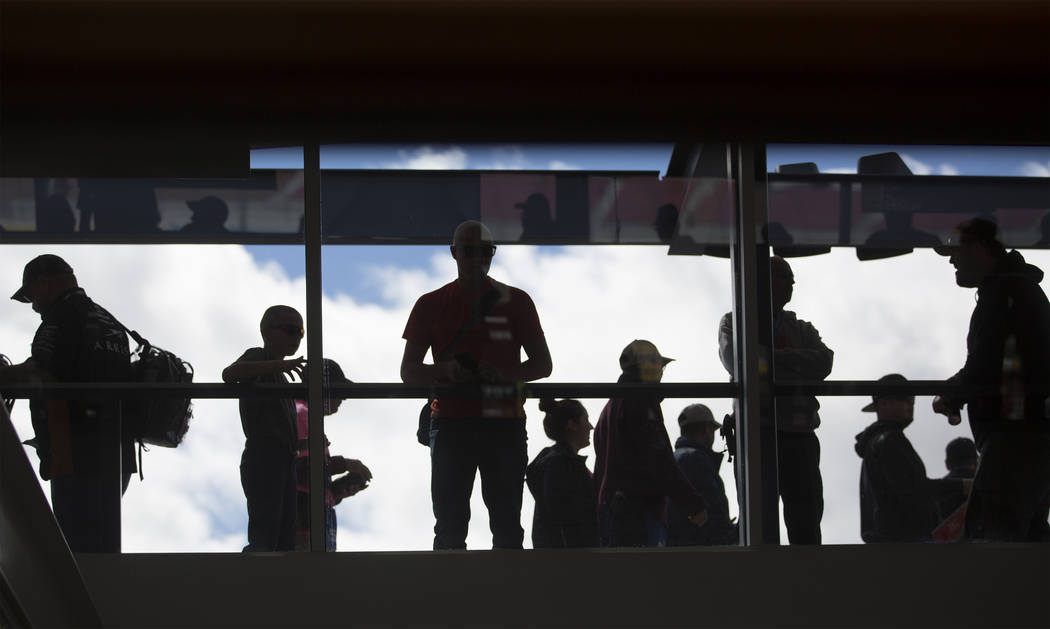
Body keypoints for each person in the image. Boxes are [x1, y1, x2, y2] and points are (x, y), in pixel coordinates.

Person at [400, 220, 553, 550]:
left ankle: (454, 594)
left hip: (460, 422)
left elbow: (410, 372)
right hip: (498, 421)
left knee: (459, 525)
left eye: (484, 251)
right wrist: (499, 374)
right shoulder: (515, 301)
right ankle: (505, 592)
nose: (477, 258)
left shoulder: (432, 303)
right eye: (471, 251)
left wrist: (447, 371)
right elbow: (541, 365)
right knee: (502, 522)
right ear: (455, 253)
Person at [0, 254, 135, 552]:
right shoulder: (109, 321)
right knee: (104, 546)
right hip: (116, 452)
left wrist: (4, 374)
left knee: (75, 551)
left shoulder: (58, 318)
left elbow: (39, 372)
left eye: (32, 296)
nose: (34, 306)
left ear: (44, 283)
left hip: (73, 450)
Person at [932, 217, 1050, 542]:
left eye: (956, 252)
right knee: (1028, 535)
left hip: (1015, 433)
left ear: (981, 248)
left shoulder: (1005, 293)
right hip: (1028, 431)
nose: (952, 260)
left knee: (992, 535)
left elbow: (989, 361)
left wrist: (954, 393)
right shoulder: (1014, 289)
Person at [718, 255, 833, 544]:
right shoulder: (735, 322)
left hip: (800, 434)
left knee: (806, 521)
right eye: (783, 276)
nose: (791, 284)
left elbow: (824, 362)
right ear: (760, 280)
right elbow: (739, 362)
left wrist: (767, 360)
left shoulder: (802, 328)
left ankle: (806, 577)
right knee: (760, 523)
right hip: (759, 433)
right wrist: (794, 365)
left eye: (791, 278)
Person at [593, 340, 707, 547]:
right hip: (637, 513)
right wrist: (694, 504)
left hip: (611, 513)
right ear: (648, 366)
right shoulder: (640, 400)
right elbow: (659, 459)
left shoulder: (608, 409)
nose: (661, 372)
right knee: (646, 577)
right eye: (659, 365)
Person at [223, 305, 306, 552]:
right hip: (264, 455)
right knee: (266, 530)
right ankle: (259, 579)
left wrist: (303, 445)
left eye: (300, 332)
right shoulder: (259, 356)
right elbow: (230, 374)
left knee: (284, 535)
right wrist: (279, 366)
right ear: (266, 331)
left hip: (283, 458)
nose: (297, 338)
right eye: (290, 330)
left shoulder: (279, 374)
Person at [854, 374, 969, 543]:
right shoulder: (889, 440)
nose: (911, 403)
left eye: (912, 398)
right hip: (906, 543)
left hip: (893, 543)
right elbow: (916, 489)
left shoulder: (876, 443)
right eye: (903, 398)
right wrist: (963, 486)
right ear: (883, 403)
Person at [293, 358, 372, 551]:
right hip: (302, 526)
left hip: (310, 521)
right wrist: (345, 464)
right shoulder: (302, 412)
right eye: (339, 392)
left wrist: (341, 488)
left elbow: (312, 481)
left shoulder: (304, 413)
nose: (342, 399)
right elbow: (300, 470)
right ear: (323, 388)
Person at [525, 398, 598, 548]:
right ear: (571, 425)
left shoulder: (557, 463)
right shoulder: (561, 465)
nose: (591, 426)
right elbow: (564, 516)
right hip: (571, 559)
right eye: (586, 420)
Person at [667, 404, 736, 546]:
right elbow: (713, 513)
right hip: (700, 550)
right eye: (713, 430)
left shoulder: (674, 459)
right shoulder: (696, 460)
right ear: (706, 429)